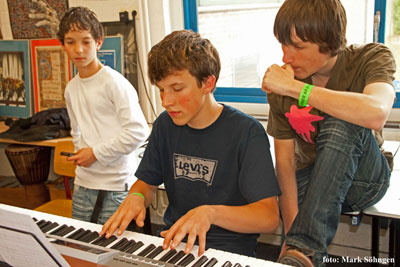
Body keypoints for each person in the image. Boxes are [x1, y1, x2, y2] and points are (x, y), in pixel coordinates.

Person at [100, 30, 281, 257]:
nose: (166, 101)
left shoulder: (246, 133)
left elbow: (268, 217)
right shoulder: (165, 125)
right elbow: (145, 184)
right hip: (173, 246)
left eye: (177, 89)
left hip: (227, 254)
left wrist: (210, 214)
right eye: (161, 90)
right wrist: (136, 198)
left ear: (207, 83)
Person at [262, 0, 396, 266]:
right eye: (283, 45)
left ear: (328, 40)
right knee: (261, 186)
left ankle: (307, 251)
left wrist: (295, 90)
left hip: (363, 180)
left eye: (298, 47)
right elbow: (286, 165)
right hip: (315, 178)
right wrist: (290, 238)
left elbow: (377, 112)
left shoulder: (371, 57)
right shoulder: (285, 83)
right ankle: (300, 252)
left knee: (343, 116)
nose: (286, 57)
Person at [57, 7, 149, 224]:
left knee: (109, 252)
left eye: (86, 42)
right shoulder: (71, 88)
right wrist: (81, 154)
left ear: (98, 42)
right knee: (80, 246)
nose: (78, 49)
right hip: (84, 183)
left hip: (116, 185)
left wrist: (96, 153)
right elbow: (77, 131)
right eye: (70, 42)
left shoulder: (115, 83)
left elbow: (138, 132)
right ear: (63, 45)